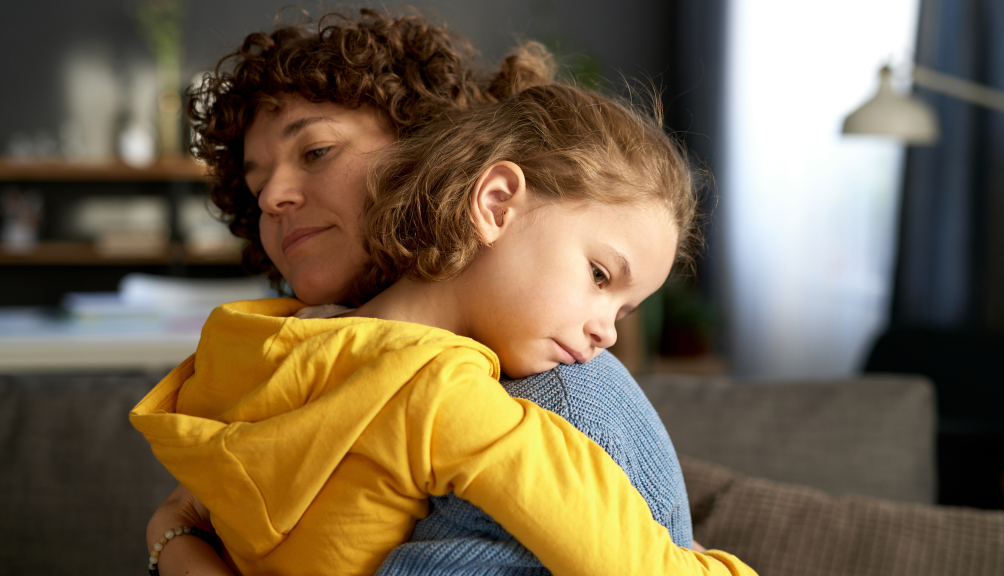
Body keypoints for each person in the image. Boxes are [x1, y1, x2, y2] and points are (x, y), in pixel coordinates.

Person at [144, 7, 700, 575]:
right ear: (493, 202)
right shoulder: (299, 353)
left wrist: (174, 541)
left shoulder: (560, 390)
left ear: (423, 146)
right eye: (256, 184)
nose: (271, 198)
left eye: (316, 151)